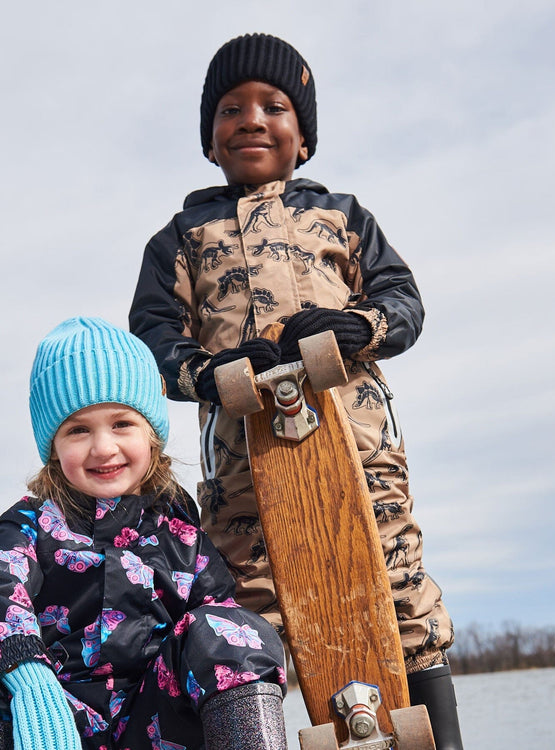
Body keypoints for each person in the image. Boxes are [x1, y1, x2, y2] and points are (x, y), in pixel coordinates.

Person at [129, 33, 463, 748]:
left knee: (401, 594)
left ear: (303, 137)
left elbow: (404, 302)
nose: (251, 119)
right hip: (243, 475)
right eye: (230, 108)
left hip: (361, 454)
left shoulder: (342, 215)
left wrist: (358, 326)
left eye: (273, 106)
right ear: (209, 139)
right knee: (245, 621)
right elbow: (153, 338)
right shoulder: (181, 238)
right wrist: (209, 372)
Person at [0, 317, 288, 750]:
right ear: (53, 449)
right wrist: (28, 677)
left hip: (154, 725)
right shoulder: (28, 525)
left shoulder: (180, 532)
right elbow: (5, 590)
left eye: (121, 424)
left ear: (151, 434)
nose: (103, 448)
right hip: (50, 724)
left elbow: (215, 620)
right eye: (78, 430)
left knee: (232, 630)